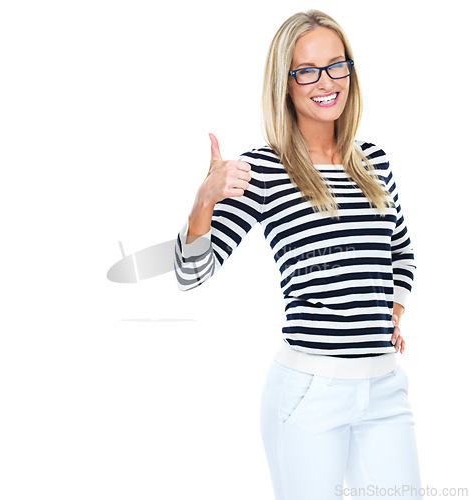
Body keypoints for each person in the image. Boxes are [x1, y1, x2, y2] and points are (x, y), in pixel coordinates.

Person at [174, 9, 423, 500]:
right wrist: (203, 201)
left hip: (385, 389)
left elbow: (400, 250)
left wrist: (388, 309)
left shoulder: (374, 163)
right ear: (284, 84)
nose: (325, 82)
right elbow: (190, 273)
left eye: (336, 65)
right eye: (306, 70)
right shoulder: (264, 169)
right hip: (309, 394)